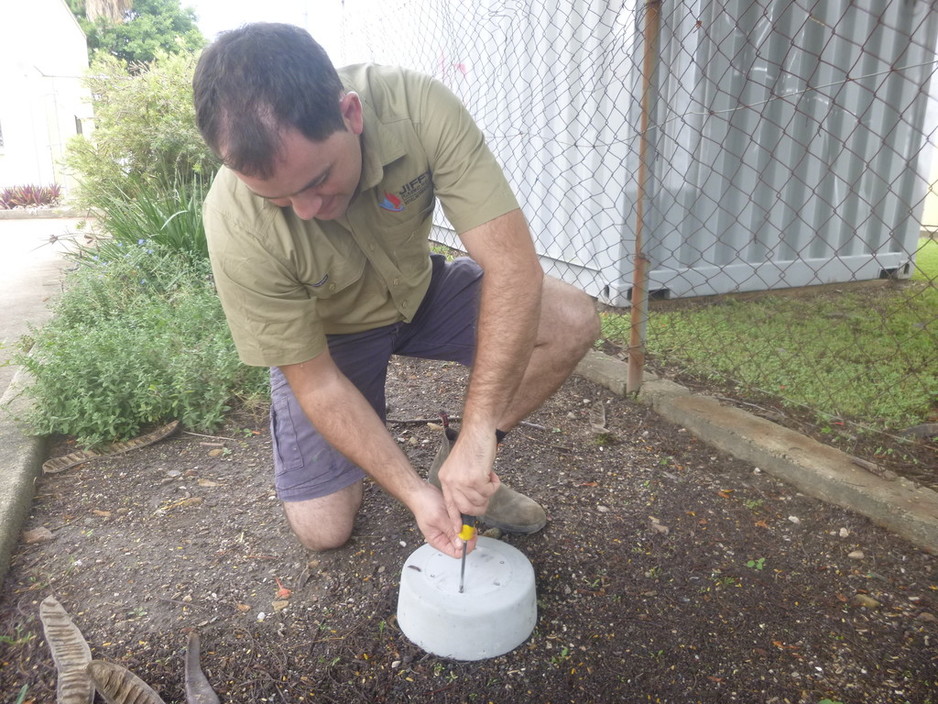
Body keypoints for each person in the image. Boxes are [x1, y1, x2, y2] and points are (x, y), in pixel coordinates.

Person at [192, 23, 599, 559]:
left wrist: (480, 434)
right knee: (324, 529)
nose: (306, 210)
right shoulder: (234, 221)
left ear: (351, 114)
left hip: (421, 293)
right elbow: (315, 384)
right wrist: (415, 495)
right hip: (334, 334)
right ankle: (372, 456)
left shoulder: (419, 107)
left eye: (316, 181)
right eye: (280, 199)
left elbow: (513, 266)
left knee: (572, 318)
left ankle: (459, 463)